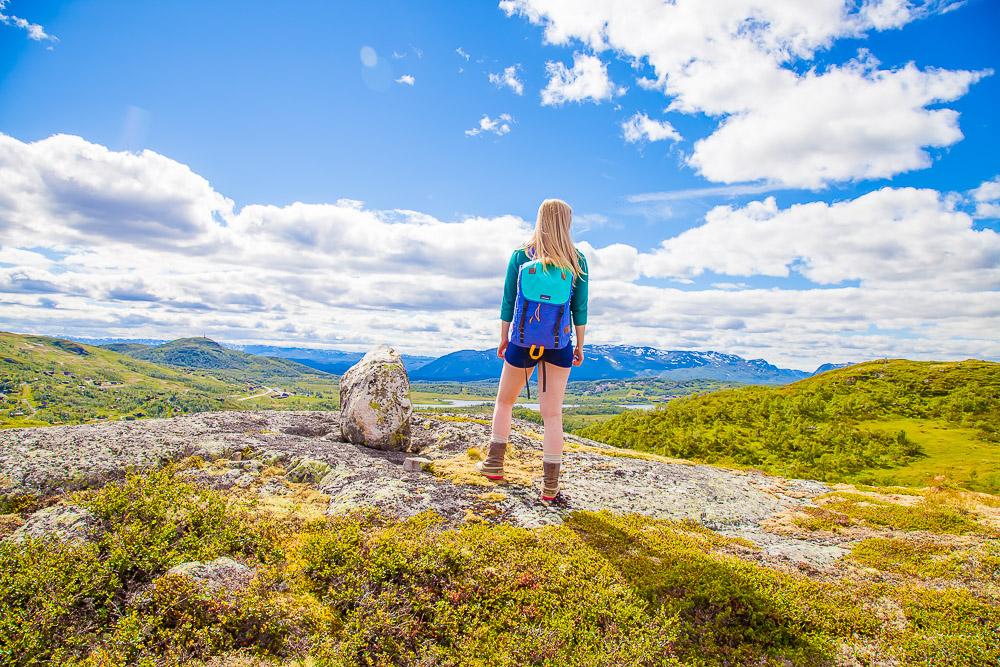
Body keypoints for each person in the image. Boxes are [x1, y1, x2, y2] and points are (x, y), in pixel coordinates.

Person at [476, 198, 588, 502]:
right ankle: (550, 486)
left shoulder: (519, 257)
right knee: (552, 415)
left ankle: (494, 464)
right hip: (559, 344)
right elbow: (580, 308)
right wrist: (579, 345)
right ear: (566, 223)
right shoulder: (577, 260)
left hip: (522, 341)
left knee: (505, 401)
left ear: (539, 220)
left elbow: (507, 302)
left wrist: (505, 337)